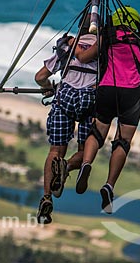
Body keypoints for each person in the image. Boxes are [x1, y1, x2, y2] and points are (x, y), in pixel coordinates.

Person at [74, 5, 140, 214]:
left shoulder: (108, 37)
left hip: (106, 90)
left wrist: (76, 48)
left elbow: (84, 58)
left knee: (97, 132)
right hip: (131, 95)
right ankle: (109, 185)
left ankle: (86, 163)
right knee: (122, 141)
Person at [34, 18, 98, 224]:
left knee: (55, 150)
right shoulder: (104, 49)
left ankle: (46, 196)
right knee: (85, 150)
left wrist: (47, 87)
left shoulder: (68, 46)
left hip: (66, 97)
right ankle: (67, 167)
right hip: (90, 99)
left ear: (80, 27)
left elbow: (40, 76)